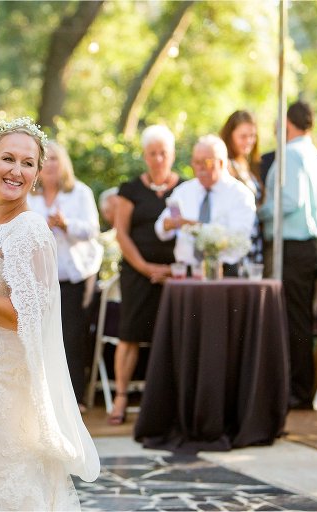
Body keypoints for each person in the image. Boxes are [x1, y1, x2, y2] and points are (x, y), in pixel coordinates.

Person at [0, 117, 99, 510]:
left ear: (37, 172)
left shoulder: (30, 231)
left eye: (28, 163)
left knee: (8, 488)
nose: (17, 170)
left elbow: (26, 316)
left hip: (8, 390)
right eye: (8, 159)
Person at [109, 125, 184, 425]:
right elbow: (121, 233)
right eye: (152, 153)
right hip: (138, 274)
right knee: (130, 335)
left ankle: (171, 400)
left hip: (175, 274)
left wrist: (170, 269)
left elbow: (190, 234)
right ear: (145, 156)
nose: (158, 159)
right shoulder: (130, 190)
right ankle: (121, 398)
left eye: (163, 153)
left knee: (173, 334)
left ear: (172, 155)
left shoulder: (185, 189)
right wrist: (145, 267)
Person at [258, 101, 317, 410]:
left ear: (288, 123)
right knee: (300, 318)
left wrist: (258, 212)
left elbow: (289, 201)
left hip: (293, 246)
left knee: (293, 319)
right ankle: (300, 389)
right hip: (310, 245)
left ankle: (298, 392)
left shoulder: (291, 155)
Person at [26, 140, 102, 410]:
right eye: (45, 160)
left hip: (72, 276)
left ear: (64, 163)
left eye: (55, 159)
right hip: (38, 278)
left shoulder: (79, 193)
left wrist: (66, 224)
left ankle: (74, 397)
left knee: (71, 336)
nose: (50, 165)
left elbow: (93, 230)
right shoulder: (29, 195)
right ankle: (43, 397)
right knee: (40, 335)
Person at [154, 134, 256, 273]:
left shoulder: (240, 194)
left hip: (225, 272)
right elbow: (160, 229)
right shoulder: (184, 191)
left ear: (221, 163)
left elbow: (238, 238)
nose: (200, 168)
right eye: (196, 162)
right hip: (188, 272)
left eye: (206, 162)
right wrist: (167, 225)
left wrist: (195, 227)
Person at [220, 110, 264, 263]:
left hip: (253, 239)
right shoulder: (225, 166)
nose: (249, 141)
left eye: (252, 136)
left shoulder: (249, 166)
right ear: (230, 135)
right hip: (235, 241)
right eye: (243, 136)